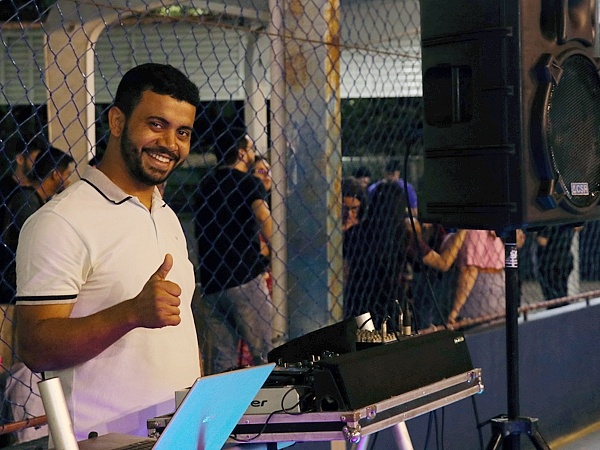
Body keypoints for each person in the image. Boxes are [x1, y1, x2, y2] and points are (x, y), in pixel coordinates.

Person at [14, 63, 201, 440]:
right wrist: (131, 312)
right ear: (117, 121)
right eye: (156, 125)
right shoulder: (61, 220)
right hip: (103, 443)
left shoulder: (164, 214)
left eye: (182, 132)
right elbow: (34, 347)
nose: (170, 143)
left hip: (179, 434)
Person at [2, 146, 75, 443]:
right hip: (9, 298)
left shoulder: (33, 201)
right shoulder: (28, 202)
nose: (68, 181)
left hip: (14, 297)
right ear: (55, 174)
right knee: (13, 371)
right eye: (66, 174)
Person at [195, 132, 274, 375]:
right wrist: (279, 250)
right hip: (244, 277)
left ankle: (223, 399)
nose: (252, 154)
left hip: (212, 283)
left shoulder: (205, 185)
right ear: (241, 153)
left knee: (223, 361)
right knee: (266, 353)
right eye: (250, 149)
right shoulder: (247, 182)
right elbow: (262, 216)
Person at [343, 182, 466, 331]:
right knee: (391, 340)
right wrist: (463, 228)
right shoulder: (403, 235)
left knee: (365, 340)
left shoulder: (355, 233)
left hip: (358, 300)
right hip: (391, 302)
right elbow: (443, 263)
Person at [448, 230, 506, 323]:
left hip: (481, 289)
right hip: (497, 285)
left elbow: (470, 271)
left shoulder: (474, 230)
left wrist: (455, 311)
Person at [536, 224, 582, 305]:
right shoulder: (568, 220)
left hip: (550, 261)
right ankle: (563, 307)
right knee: (562, 290)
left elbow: (543, 241)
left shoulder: (549, 223)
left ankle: (558, 308)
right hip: (565, 259)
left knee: (553, 295)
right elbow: (578, 227)